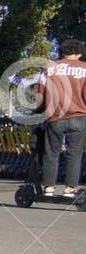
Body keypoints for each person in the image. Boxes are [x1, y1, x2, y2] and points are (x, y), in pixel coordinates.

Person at [39, 39, 86, 196]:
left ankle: (49, 188)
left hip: (55, 117)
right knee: (75, 153)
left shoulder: (49, 68)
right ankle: (70, 189)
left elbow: (40, 93)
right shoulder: (85, 68)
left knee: (51, 152)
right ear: (79, 53)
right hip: (79, 116)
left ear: (62, 52)